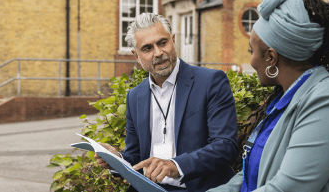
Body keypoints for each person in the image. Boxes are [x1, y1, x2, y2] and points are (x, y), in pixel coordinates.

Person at [207, 0, 329, 191]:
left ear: (271, 57)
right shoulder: (285, 98)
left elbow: (286, 188)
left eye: (252, 51)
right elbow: (251, 174)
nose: (251, 61)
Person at [95, 13, 239, 192]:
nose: (158, 53)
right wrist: (117, 160)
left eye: (162, 43)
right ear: (136, 56)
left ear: (173, 40)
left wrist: (175, 165)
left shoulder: (210, 82)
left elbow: (225, 146)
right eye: (147, 48)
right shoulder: (134, 97)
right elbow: (136, 155)